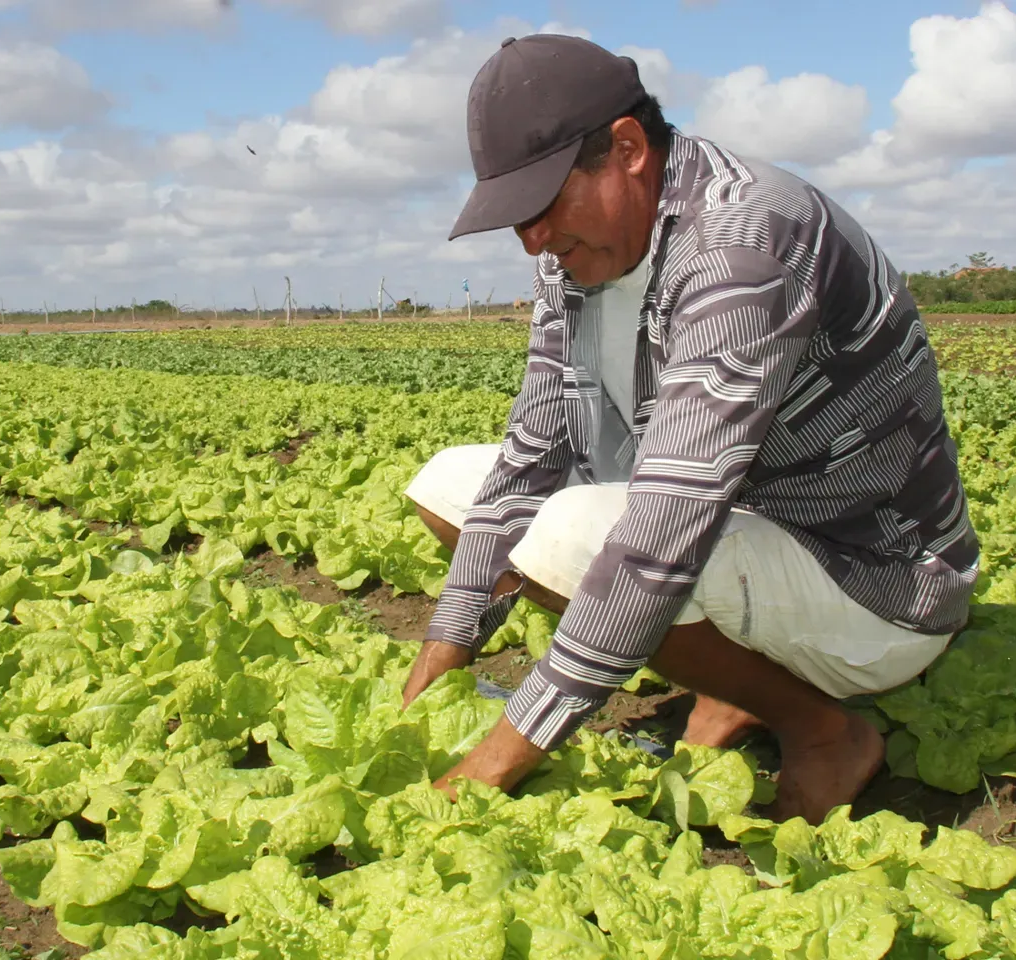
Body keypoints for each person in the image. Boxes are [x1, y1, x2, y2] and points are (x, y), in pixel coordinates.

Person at [400, 34, 979, 824]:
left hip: (873, 580)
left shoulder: (746, 243)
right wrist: (444, 654)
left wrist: (492, 766)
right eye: (516, 218)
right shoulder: (574, 252)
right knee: (449, 485)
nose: (531, 240)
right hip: (741, 536)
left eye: (540, 206)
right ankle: (733, 684)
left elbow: (660, 537)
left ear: (628, 150)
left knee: (579, 535)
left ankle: (821, 730)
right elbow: (533, 450)